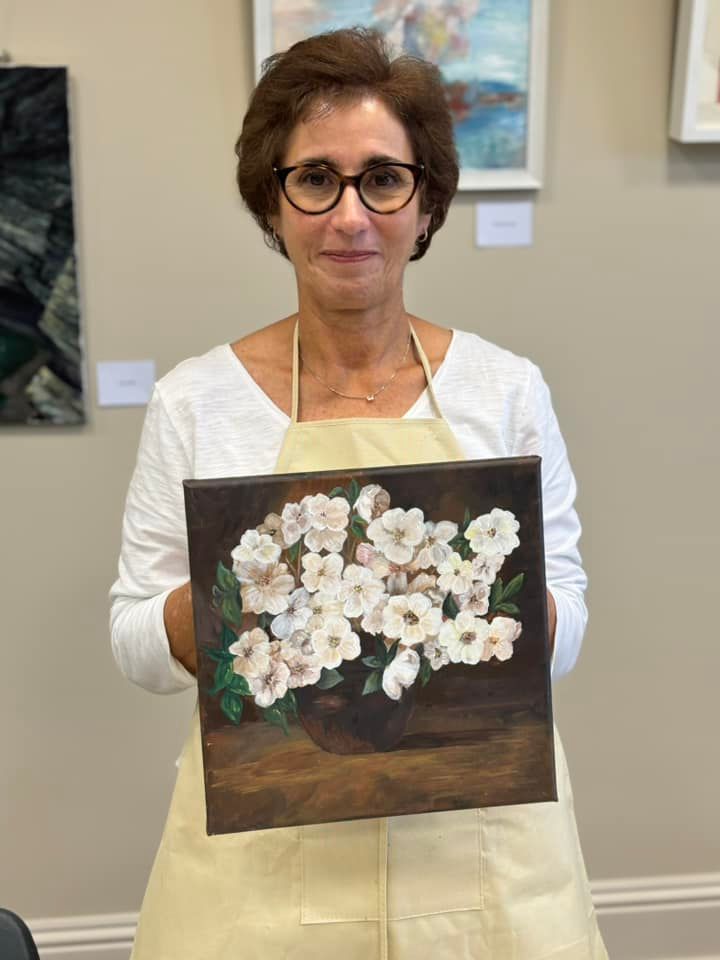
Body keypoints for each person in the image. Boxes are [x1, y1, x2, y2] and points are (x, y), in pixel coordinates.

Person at [110, 27, 607, 960]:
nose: (350, 217)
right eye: (315, 179)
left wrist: (466, 590)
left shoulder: (507, 390)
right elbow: (134, 643)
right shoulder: (195, 400)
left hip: (478, 858)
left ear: (425, 206)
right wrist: (240, 586)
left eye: (383, 178)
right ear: (274, 202)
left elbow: (568, 631)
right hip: (263, 864)